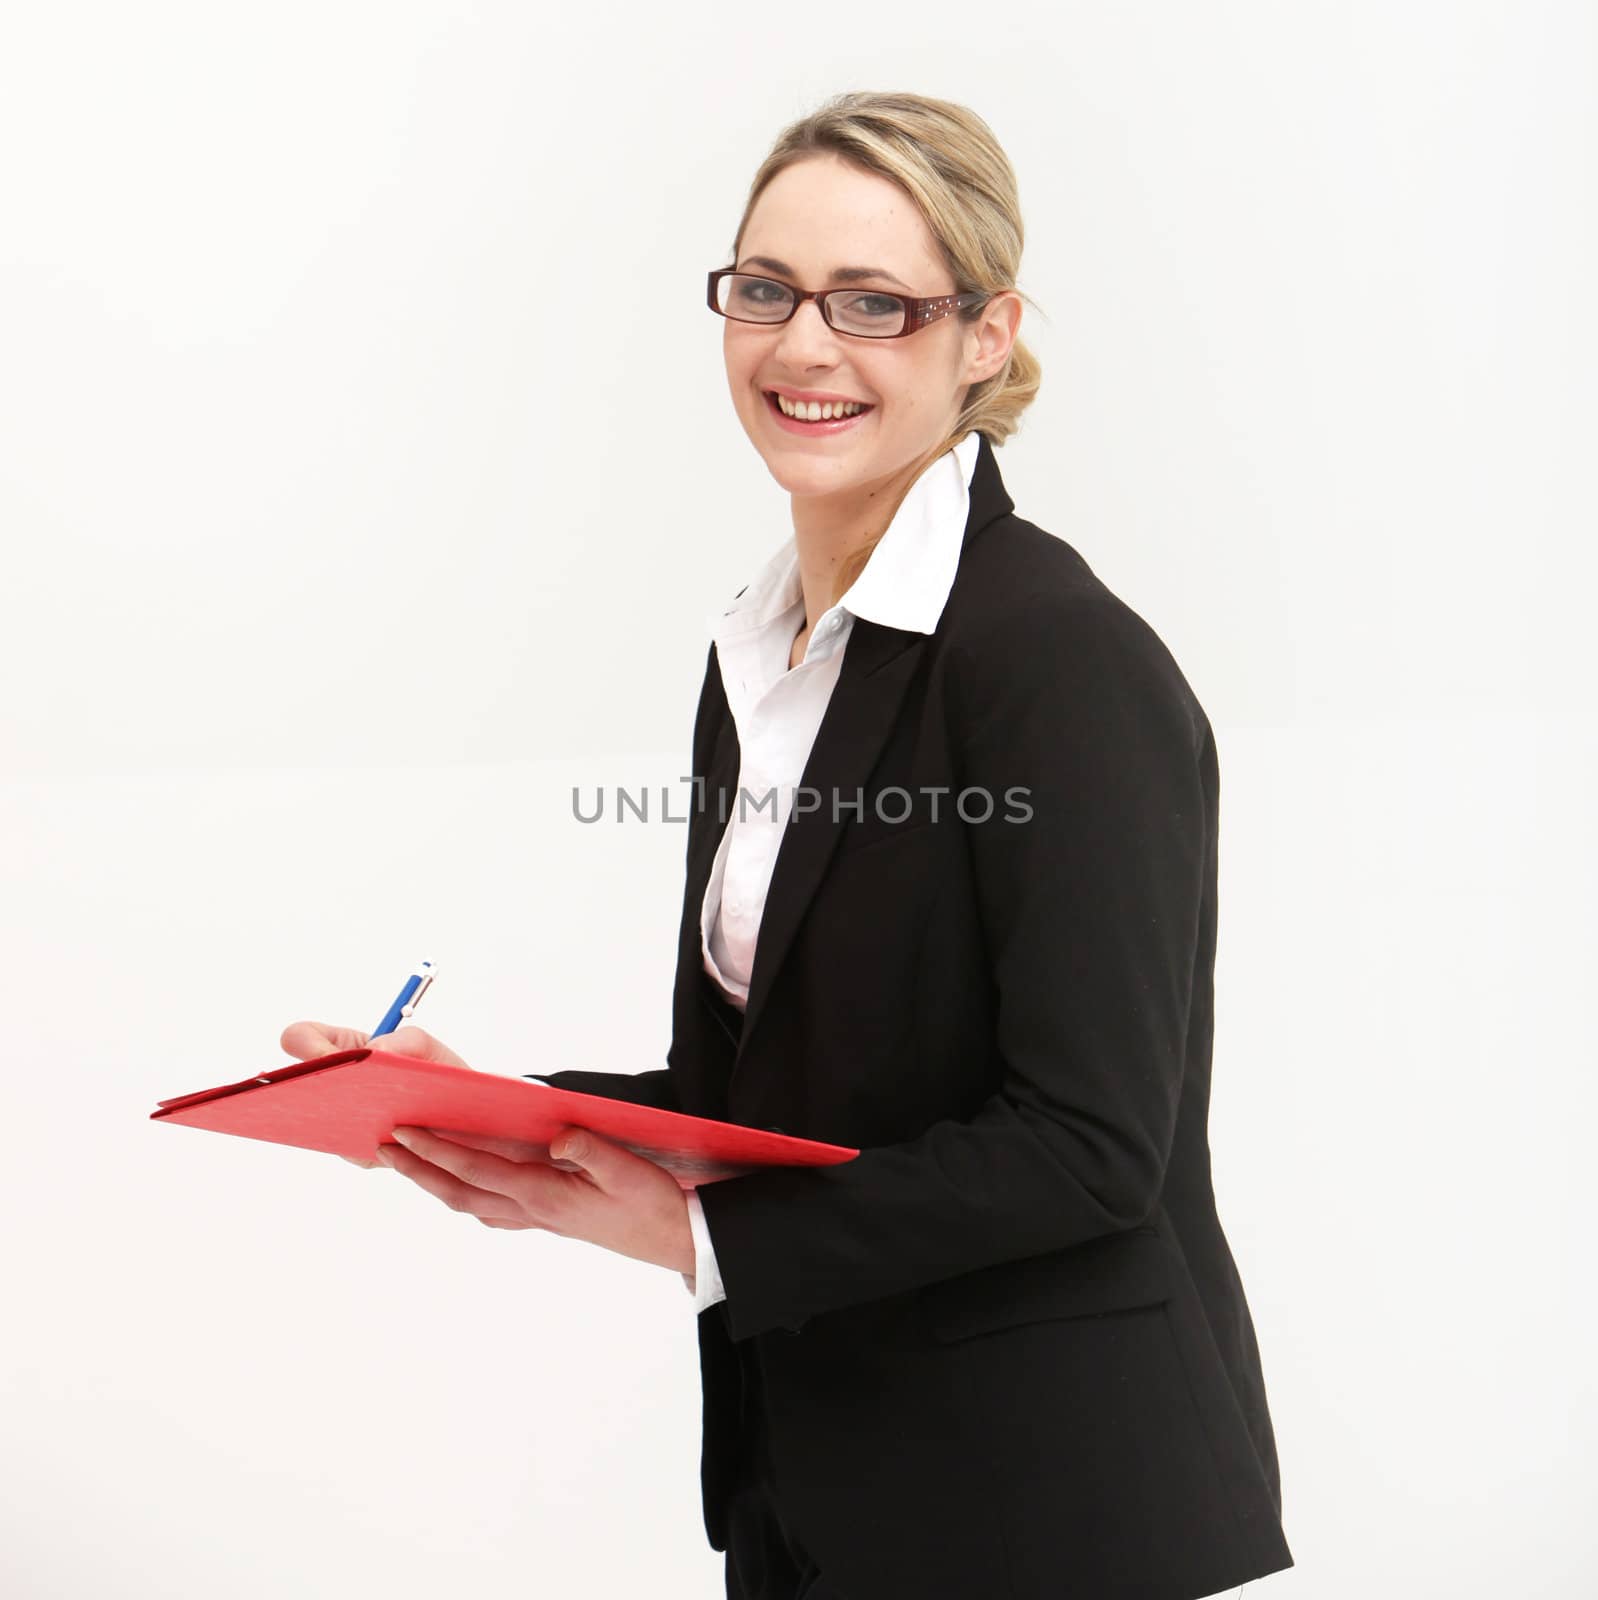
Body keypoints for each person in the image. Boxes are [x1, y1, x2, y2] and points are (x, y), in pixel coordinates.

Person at [283, 91, 1294, 1600]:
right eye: (765, 291)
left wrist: (707, 1246)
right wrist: (505, 1111)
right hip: (817, 1479)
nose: (802, 348)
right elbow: (775, 1093)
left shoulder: (1055, 660)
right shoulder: (766, 654)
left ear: (985, 336)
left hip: (1050, 1503)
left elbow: (1087, 1151)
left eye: (873, 304)